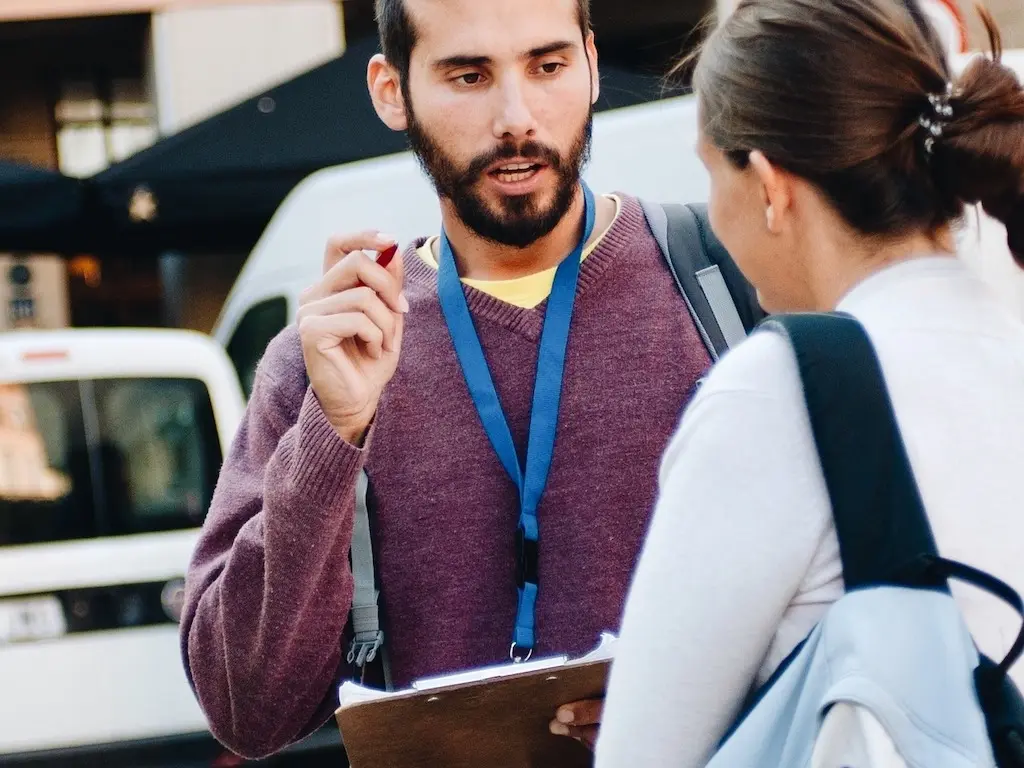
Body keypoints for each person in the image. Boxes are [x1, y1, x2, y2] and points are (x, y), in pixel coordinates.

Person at [180, 0, 733, 759]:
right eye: (469, 75)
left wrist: (704, 698)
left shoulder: (729, 286)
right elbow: (245, 709)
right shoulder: (328, 354)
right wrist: (331, 434)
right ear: (390, 90)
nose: (517, 117)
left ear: (594, 65)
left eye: (548, 66)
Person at [594, 0, 1024, 765]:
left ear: (768, 185)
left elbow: (639, 757)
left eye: (709, 171)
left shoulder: (780, 391)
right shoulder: (1006, 347)